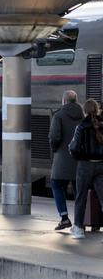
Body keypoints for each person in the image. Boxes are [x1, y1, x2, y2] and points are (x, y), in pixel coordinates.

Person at [67, 99, 103, 240]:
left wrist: (78, 156)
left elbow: (74, 147)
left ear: (85, 111)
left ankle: (78, 229)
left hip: (85, 165)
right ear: (97, 109)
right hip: (101, 165)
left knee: (80, 196)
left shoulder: (81, 126)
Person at [49, 90, 82, 230]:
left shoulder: (59, 115)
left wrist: (55, 149)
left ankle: (64, 218)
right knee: (79, 191)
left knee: (56, 184)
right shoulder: (84, 116)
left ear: (64, 101)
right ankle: (80, 221)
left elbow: (54, 138)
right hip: (80, 160)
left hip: (62, 158)